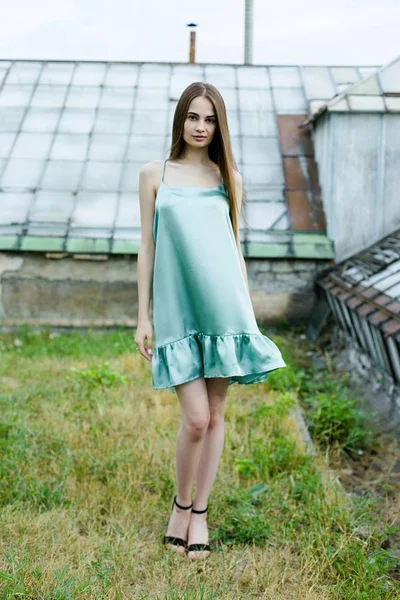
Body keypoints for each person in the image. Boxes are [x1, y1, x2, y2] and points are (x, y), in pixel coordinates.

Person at [134, 82, 286, 560]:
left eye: (210, 119)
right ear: (180, 119)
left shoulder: (229, 178)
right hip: (179, 310)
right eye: (193, 117)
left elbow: (234, 247)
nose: (201, 127)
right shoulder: (154, 174)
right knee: (195, 419)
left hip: (225, 307)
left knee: (216, 414)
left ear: (219, 125)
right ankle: (180, 504)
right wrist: (143, 316)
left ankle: (199, 513)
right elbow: (147, 246)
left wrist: (248, 316)